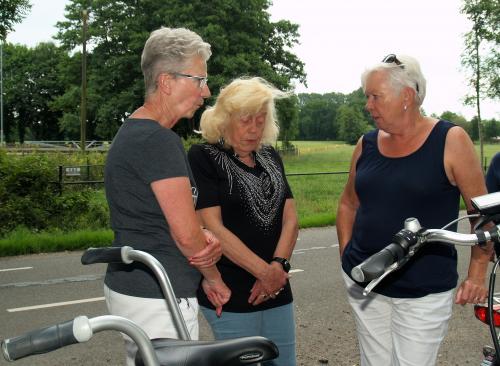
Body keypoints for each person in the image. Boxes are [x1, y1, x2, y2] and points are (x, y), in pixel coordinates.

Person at [337, 54, 492, 366]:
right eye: (367, 96)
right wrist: (346, 254)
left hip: (424, 289)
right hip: (365, 280)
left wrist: (476, 275)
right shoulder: (365, 144)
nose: (368, 105)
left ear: (407, 95)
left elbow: (482, 215)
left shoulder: (450, 140)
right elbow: (348, 203)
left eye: (375, 96)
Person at [103, 27, 230, 365]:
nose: (207, 91)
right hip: (161, 293)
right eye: (199, 80)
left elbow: (155, 217)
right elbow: (187, 236)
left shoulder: (131, 132)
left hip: (134, 288)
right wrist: (214, 277)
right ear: (166, 82)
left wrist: (198, 235)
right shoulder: (158, 141)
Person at [188, 76, 299, 366]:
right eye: (245, 120)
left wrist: (278, 268)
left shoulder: (270, 156)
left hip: (277, 287)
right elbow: (212, 227)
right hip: (231, 292)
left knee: (284, 362)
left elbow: (291, 219)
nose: (253, 129)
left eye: (260, 120)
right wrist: (265, 272)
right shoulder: (204, 157)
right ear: (224, 119)